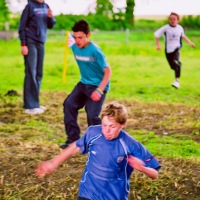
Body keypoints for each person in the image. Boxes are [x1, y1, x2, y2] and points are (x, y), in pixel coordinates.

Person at [35, 102, 161, 200]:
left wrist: (142, 168)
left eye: (112, 126)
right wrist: (53, 163)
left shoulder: (130, 144)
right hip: (88, 193)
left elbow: (155, 174)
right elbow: (76, 147)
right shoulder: (93, 132)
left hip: (114, 196)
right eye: (104, 125)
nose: (106, 130)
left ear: (123, 124)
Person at [60, 19, 111, 149]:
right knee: (69, 105)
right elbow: (70, 41)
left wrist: (99, 90)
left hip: (98, 86)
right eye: (75, 37)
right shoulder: (74, 45)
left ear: (88, 35)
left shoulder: (95, 51)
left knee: (92, 115)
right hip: (83, 83)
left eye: (81, 37)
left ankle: (98, 143)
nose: (77, 41)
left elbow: (108, 71)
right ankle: (73, 139)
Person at [18, 0, 56, 114]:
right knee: (31, 73)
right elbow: (22, 26)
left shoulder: (45, 6)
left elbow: (50, 25)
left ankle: (35, 103)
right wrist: (23, 44)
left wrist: (51, 17)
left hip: (41, 43)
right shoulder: (30, 6)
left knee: (39, 73)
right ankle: (29, 106)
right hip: (30, 42)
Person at [154, 12, 195, 89]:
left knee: (176, 63)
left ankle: (177, 81)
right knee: (173, 66)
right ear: (169, 20)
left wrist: (190, 43)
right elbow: (156, 35)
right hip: (168, 50)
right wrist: (158, 45)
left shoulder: (180, 28)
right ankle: (177, 74)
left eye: (174, 19)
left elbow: (183, 36)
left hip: (176, 48)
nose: (172, 20)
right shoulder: (166, 28)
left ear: (178, 20)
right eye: (171, 19)